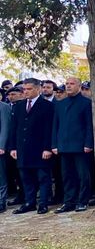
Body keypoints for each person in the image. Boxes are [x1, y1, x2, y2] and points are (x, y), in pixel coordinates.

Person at [9, 79, 55, 214]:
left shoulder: (47, 106)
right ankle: (30, 202)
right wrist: (13, 147)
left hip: (40, 149)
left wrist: (47, 148)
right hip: (23, 149)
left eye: (29, 89)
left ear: (37, 89)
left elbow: (49, 128)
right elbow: (14, 128)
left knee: (43, 177)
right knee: (26, 178)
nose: (26, 91)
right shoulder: (19, 106)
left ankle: (43, 204)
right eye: (24, 89)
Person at [52, 77, 94, 213]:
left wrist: (88, 143)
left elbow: (89, 125)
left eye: (72, 84)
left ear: (79, 86)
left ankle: (82, 201)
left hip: (80, 146)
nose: (68, 86)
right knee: (67, 176)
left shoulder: (86, 103)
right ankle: (69, 202)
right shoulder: (60, 104)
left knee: (83, 175)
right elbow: (55, 126)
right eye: (67, 84)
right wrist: (54, 144)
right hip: (63, 145)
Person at [0, 98, 10, 213]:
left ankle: (1, 201)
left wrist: (2, 146)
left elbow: (5, 127)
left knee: (1, 176)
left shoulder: (3, 107)